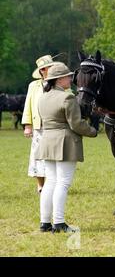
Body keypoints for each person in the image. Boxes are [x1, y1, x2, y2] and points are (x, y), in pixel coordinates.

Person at [36, 63, 97, 233]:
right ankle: (59, 222)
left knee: (50, 182)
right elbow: (76, 124)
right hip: (65, 142)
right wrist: (92, 131)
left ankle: (45, 222)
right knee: (63, 183)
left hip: (48, 141)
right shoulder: (67, 98)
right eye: (68, 76)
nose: (71, 79)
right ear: (59, 79)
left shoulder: (43, 97)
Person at [22, 55, 56, 194]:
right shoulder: (33, 86)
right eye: (47, 68)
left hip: (55, 126)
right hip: (39, 126)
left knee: (54, 156)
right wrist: (28, 125)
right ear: (42, 70)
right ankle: (40, 184)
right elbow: (28, 105)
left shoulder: (60, 83)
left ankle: (52, 183)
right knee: (37, 156)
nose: (50, 70)